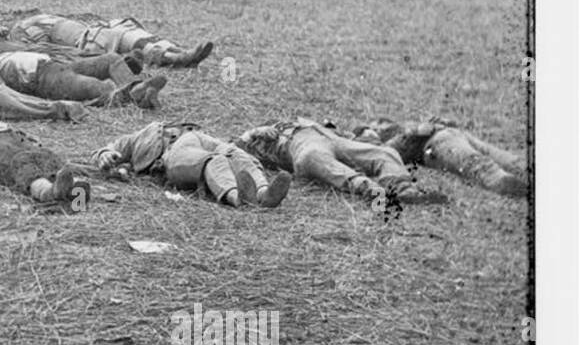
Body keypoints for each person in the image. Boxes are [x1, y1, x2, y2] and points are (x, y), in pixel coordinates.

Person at [95, 122, 291, 209]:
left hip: (202, 137)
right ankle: (237, 197)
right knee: (214, 161)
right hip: (174, 152)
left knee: (236, 154)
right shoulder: (141, 136)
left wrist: (253, 133)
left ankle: (264, 193)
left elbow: (236, 143)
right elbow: (112, 147)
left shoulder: (185, 127)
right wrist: (105, 154)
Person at [236, 119, 425, 204]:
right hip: (303, 148)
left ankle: (403, 189)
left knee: (386, 153)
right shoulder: (260, 139)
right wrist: (252, 132)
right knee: (316, 159)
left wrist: (366, 135)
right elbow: (235, 147)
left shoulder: (305, 121)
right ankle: (372, 190)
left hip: (333, 139)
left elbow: (363, 141)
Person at [353, 119, 528, 197]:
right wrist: (414, 131)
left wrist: (441, 122)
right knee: (477, 164)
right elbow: (392, 153)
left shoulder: (399, 128)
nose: (377, 127)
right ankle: (508, 184)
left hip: (452, 134)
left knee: (509, 160)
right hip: (435, 145)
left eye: (379, 124)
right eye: (371, 129)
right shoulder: (381, 148)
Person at [9, 14, 214, 68]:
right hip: (86, 40)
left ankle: (179, 50)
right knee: (121, 37)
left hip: (92, 30)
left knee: (127, 28)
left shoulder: (31, 22)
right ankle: (175, 58)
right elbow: (43, 50)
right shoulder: (21, 32)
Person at [0, 49, 168, 109]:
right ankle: (135, 96)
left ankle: (137, 86)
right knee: (97, 87)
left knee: (111, 59)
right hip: (42, 79)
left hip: (53, 63)